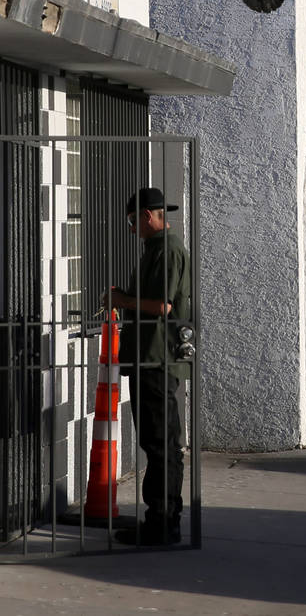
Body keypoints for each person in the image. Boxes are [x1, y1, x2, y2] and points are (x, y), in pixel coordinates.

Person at [105, 187, 191, 545]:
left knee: (161, 444)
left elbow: (163, 306)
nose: (130, 228)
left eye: (131, 221)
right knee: (158, 442)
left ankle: (162, 522)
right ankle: (164, 518)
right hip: (149, 357)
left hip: (156, 359)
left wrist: (121, 299)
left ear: (145, 216)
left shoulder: (167, 252)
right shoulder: (157, 250)